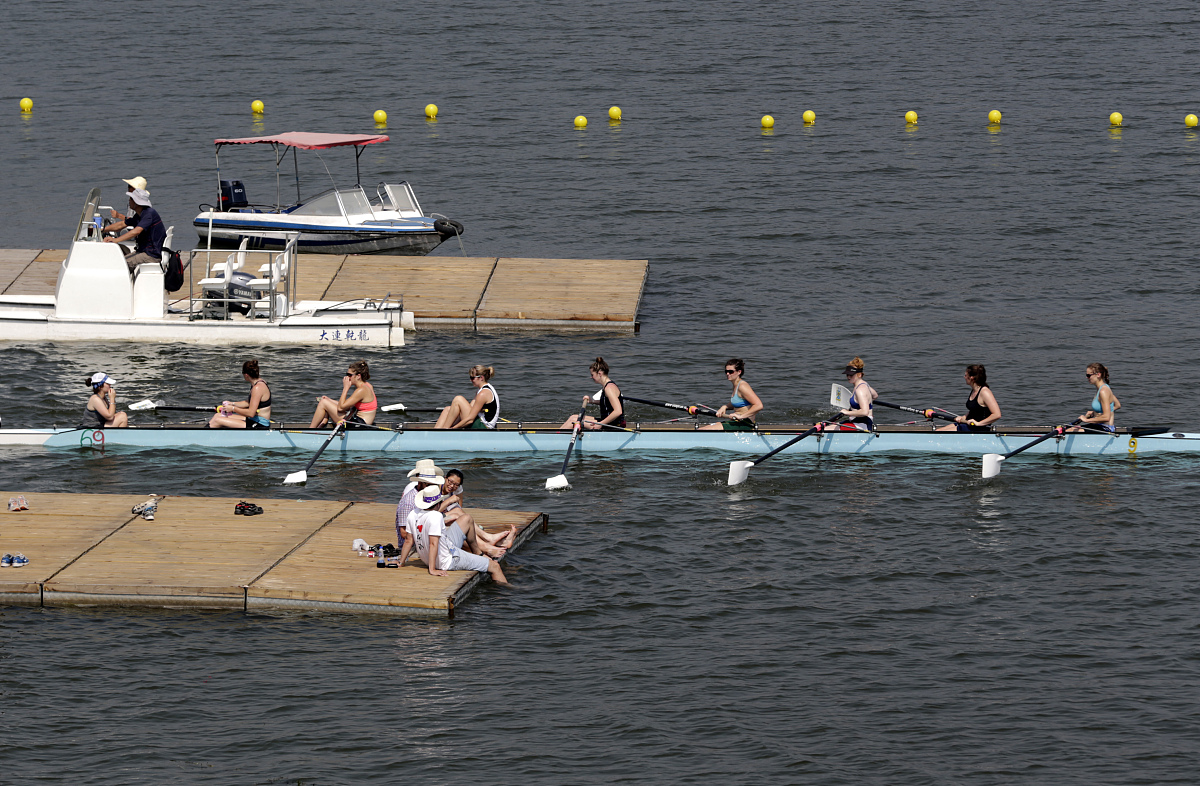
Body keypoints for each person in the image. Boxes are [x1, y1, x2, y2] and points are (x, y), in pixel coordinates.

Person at [397, 483, 511, 586]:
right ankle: (506, 594)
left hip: (429, 556)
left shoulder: (413, 514)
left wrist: (402, 562)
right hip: (448, 560)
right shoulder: (435, 517)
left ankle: (478, 552)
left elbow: (408, 540)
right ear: (439, 503)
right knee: (495, 566)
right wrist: (432, 569)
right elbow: (433, 544)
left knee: (466, 518)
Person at [437, 469, 516, 557]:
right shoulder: (434, 489)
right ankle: (488, 544)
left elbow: (459, 506)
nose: (452, 486)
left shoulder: (457, 488)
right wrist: (448, 501)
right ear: (445, 478)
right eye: (450, 481)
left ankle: (497, 541)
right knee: (457, 517)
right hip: (432, 520)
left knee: (459, 515)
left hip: (444, 517)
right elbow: (431, 513)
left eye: (456, 484)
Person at [102, 188, 166, 274]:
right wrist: (102, 230)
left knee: (120, 264)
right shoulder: (140, 214)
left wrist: (115, 240)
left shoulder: (148, 214)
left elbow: (136, 231)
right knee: (120, 259)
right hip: (144, 251)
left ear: (137, 202)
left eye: (131, 199)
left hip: (151, 255)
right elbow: (121, 225)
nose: (129, 201)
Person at [560, 357, 624, 431]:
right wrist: (592, 401)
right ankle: (556, 434)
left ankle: (555, 439)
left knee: (573, 421)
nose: (591, 377)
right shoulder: (607, 386)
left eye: (592, 375)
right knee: (573, 417)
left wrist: (600, 424)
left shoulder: (609, 388)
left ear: (599, 373)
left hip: (613, 425)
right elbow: (607, 403)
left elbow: (618, 411)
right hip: (608, 422)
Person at [309, 360, 377, 428]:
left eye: (349, 375)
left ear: (358, 376)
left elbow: (340, 408)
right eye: (346, 374)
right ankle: (320, 426)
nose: (347, 377)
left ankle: (310, 430)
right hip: (359, 421)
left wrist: (345, 388)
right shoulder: (367, 385)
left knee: (323, 403)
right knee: (325, 401)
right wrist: (330, 400)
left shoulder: (361, 390)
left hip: (360, 426)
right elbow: (347, 406)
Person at [700, 358, 763, 431]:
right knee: (704, 428)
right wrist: (725, 407)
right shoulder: (735, 385)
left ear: (739, 372)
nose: (727, 374)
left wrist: (741, 416)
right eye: (726, 371)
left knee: (701, 430)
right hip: (737, 422)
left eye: (730, 372)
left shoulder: (742, 386)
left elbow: (759, 405)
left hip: (745, 423)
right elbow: (740, 402)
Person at [208, 359, 272, 429]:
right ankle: (204, 432)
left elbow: (251, 413)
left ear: (246, 375)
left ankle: (203, 436)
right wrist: (232, 403)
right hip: (252, 420)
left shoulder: (257, 388)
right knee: (218, 415)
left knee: (218, 421)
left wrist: (233, 409)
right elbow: (249, 402)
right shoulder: (258, 382)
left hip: (259, 424)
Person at [936, 364, 1002, 432]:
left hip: (979, 428)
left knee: (939, 433)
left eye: (965, 375)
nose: (964, 377)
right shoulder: (974, 390)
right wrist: (964, 417)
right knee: (937, 431)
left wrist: (979, 423)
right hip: (968, 424)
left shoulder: (985, 392)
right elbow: (975, 409)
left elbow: (997, 414)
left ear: (971, 378)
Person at [435, 365, 499, 429]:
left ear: (481, 378)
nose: (470, 380)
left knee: (458, 399)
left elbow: (470, 420)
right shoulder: (480, 391)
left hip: (484, 427)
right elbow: (470, 408)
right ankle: (436, 431)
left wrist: (454, 428)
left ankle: (445, 430)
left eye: (472, 378)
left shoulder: (484, 393)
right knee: (447, 409)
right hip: (480, 421)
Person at [1072, 362, 1121, 432]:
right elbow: (1118, 405)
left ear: (1098, 375)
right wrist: (1095, 413)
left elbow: (1107, 417)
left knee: (1071, 431)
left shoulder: (1103, 391)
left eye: (1088, 375)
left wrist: (1086, 420)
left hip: (1105, 429)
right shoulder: (1103, 388)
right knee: (1071, 429)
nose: (1087, 377)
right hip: (1099, 425)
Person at [838, 356, 877, 431]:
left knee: (825, 429)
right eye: (847, 374)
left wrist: (847, 412)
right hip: (859, 422)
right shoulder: (865, 385)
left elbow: (865, 412)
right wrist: (866, 401)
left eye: (851, 375)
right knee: (828, 426)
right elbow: (875, 395)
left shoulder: (860, 390)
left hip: (862, 425)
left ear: (859, 374)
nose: (848, 377)